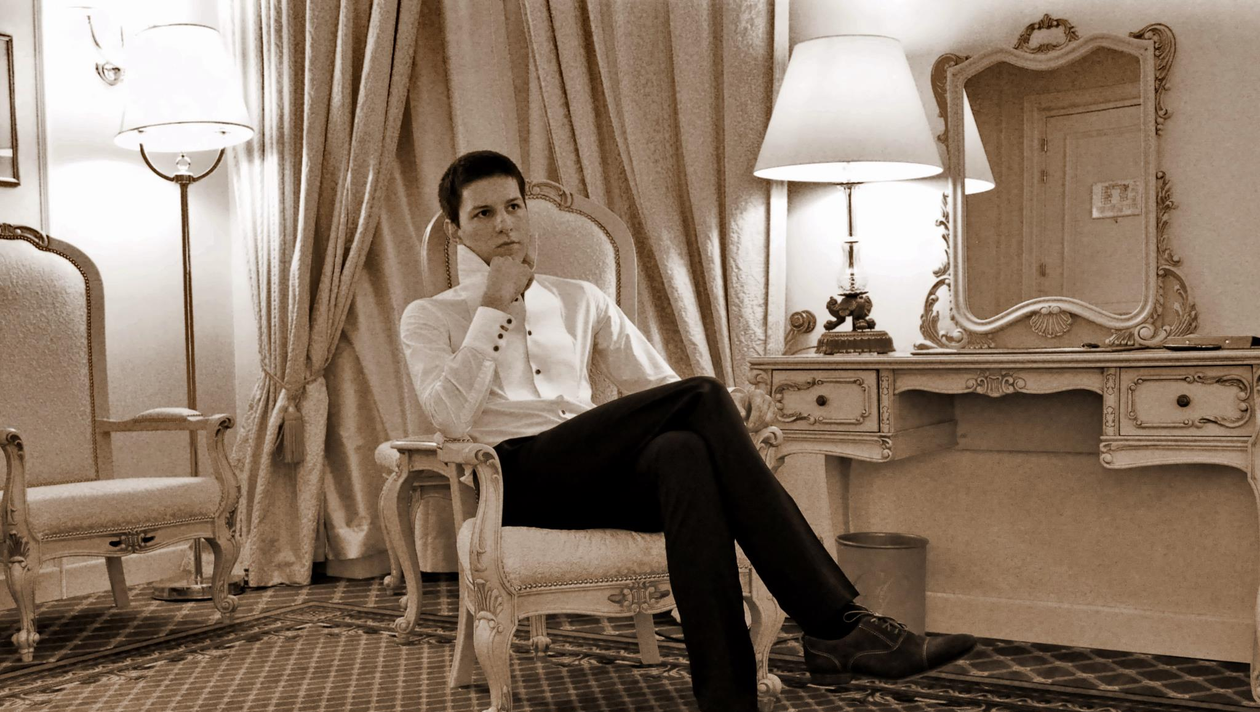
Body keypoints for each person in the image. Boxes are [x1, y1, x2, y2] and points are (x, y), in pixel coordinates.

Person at [400, 150, 976, 712]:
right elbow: (449, 417)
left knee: (683, 451)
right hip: (514, 480)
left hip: (593, 474)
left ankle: (727, 698)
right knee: (701, 397)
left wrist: (731, 406)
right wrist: (493, 306)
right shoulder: (430, 315)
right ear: (456, 230)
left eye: (513, 206)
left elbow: (660, 388)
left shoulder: (581, 299)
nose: (505, 224)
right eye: (483, 214)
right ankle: (836, 626)